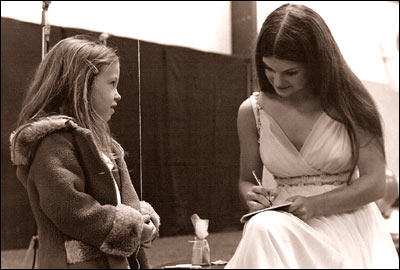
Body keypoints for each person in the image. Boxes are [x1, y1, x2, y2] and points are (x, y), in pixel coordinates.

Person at [226, 3, 399, 269]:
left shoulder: (352, 105)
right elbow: (245, 181)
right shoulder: (251, 112)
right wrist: (252, 195)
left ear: (318, 63)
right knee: (261, 226)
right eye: (269, 69)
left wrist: (316, 205)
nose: (277, 81)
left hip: (347, 223)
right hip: (283, 222)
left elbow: (376, 183)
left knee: (263, 229)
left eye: (290, 72)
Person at [9, 35, 160, 269]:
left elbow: (117, 200)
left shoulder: (106, 145)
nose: (118, 95)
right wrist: (132, 226)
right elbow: (70, 209)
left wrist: (139, 216)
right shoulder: (54, 143)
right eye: (112, 83)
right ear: (82, 84)